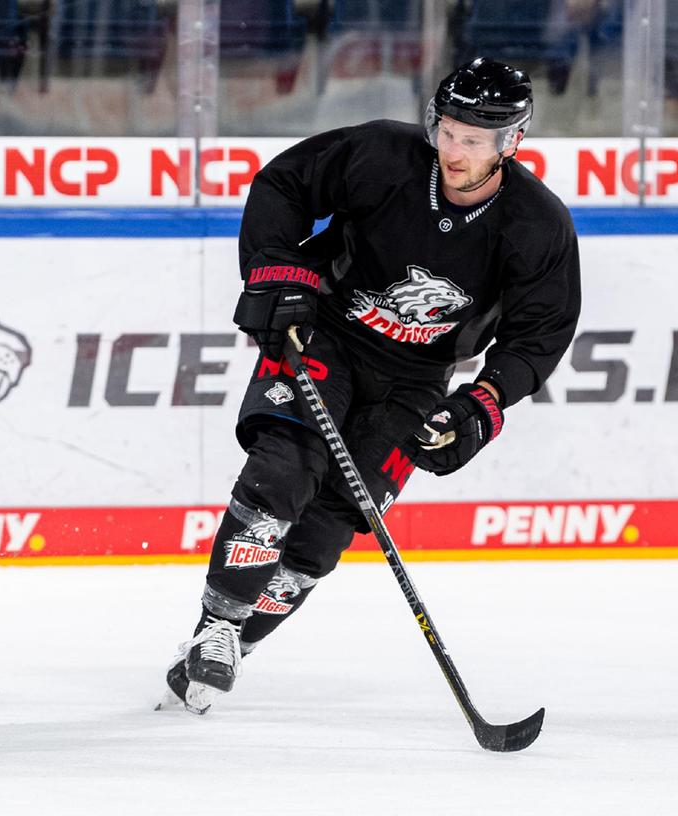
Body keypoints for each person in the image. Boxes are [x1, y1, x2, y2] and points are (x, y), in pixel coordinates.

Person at [160, 58, 581, 714]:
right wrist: (276, 276)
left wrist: (481, 403)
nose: (452, 149)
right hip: (324, 334)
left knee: (329, 525)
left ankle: (232, 643)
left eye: (472, 140)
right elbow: (283, 187)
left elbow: (539, 334)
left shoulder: (535, 224)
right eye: (446, 130)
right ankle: (217, 626)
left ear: (510, 143)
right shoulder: (381, 154)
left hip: (416, 376)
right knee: (284, 467)